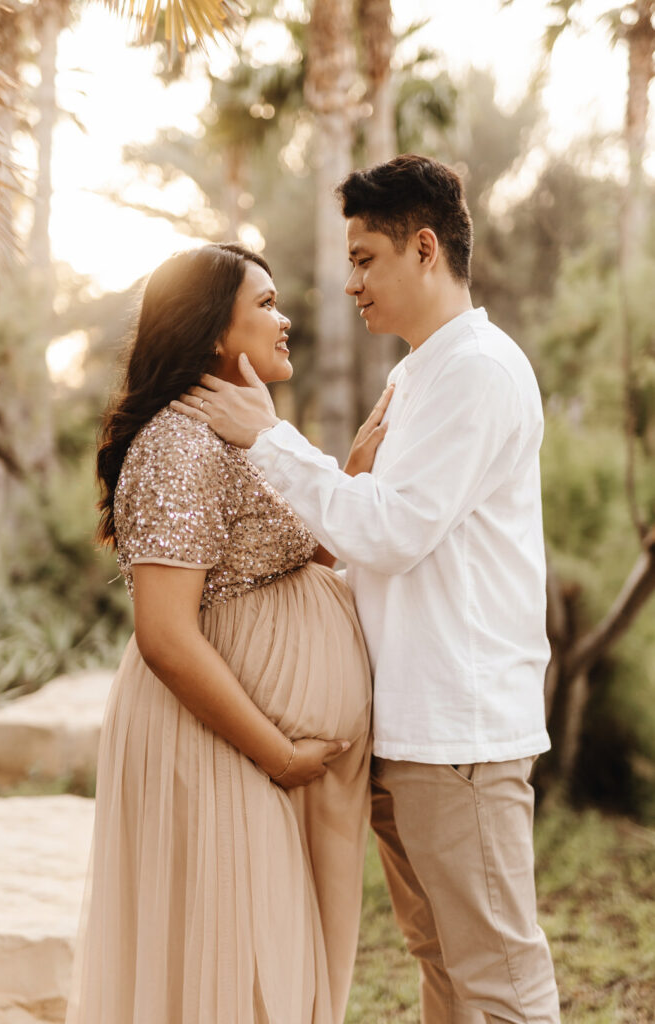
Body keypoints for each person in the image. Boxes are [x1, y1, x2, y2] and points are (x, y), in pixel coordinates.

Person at [174, 155, 562, 1023]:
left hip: (458, 736)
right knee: (443, 966)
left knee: (497, 976)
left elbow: (390, 530)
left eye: (364, 259)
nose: (348, 283)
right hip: (406, 730)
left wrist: (269, 442)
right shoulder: (416, 374)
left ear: (423, 248)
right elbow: (367, 541)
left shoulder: (478, 373)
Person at [65, 243, 380, 1024]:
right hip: (220, 747)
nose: (287, 319)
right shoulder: (177, 444)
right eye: (266, 304)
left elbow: (306, 547)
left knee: (280, 968)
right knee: (239, 977)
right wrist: (277, 754)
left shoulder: (244, 431)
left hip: (270, 756)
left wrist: (352, 473)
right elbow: (165, 636)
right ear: (213, 331)